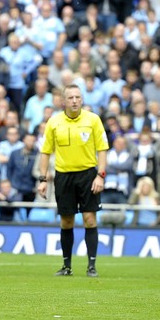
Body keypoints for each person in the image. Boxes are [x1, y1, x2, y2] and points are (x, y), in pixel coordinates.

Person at [37, 84, 109, 277]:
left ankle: (91, 266)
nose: (75, 101)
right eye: (70, 98)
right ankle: (67, 266)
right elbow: (45, 152)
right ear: (63, 101)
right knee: (67, 221)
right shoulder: (54, 122)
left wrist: (100, 175)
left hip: (87, 175)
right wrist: (43, 179)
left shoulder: (93, 120)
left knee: (89, 219)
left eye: (78, 97)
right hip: (63, 176)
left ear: (82, 99)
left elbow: (102, 149)